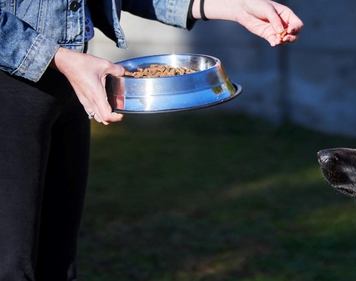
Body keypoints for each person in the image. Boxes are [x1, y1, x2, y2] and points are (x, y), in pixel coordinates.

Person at [0, 0, 303, 280]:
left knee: (56, 264)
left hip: (69, 79)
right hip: (15, 82)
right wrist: (57, 57)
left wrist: (231, 6)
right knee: (11, 265)